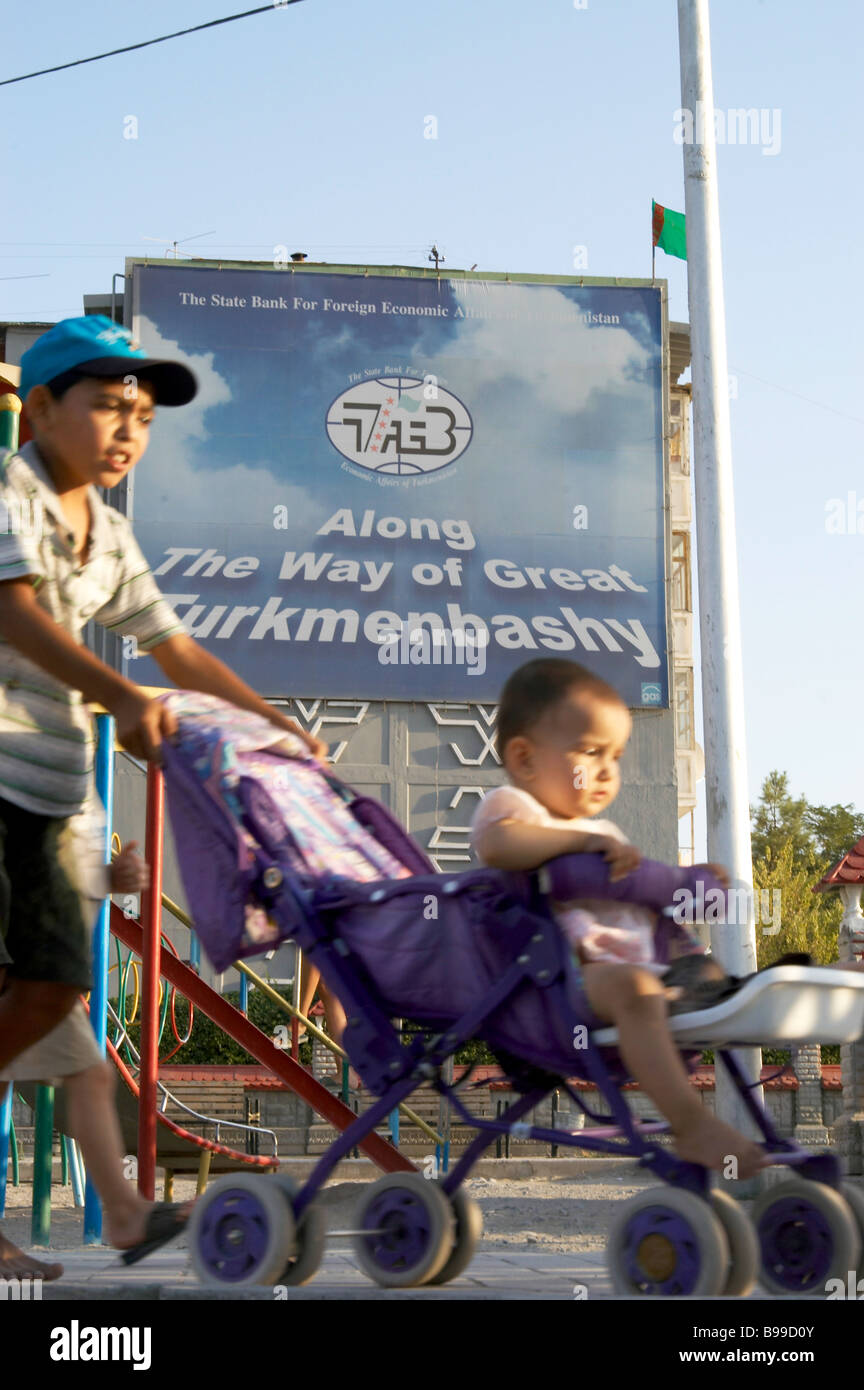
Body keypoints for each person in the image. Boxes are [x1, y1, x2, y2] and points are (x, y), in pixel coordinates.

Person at [0, 315, 326, 1093]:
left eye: (143, 417)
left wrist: (275, 725)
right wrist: (120, 697)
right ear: (40, 408)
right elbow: (13, 612)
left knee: (51, 988)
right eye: (110, 407)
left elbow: (175, 649)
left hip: (47, 794)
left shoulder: (110, 533)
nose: (129, 430)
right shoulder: (10, 492)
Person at [471, 657, 771, 1180]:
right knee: (635, 987)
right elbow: (497, 844)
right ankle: (691, 1123)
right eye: (590, 751)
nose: (608, 768)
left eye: (616, 754)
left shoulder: (605, 831)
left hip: (632, 977)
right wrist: (581, 841)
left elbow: (639, 899)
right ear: (523, 758)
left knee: (712, 980)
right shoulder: (515, 805)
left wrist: (690, 878)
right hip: (555, 982)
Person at [0, 821, 186, 1279]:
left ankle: (123, 1212)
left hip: (36, 934)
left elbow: (50, 853)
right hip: (22, 925)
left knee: (90, 1071)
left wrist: (106, 878)